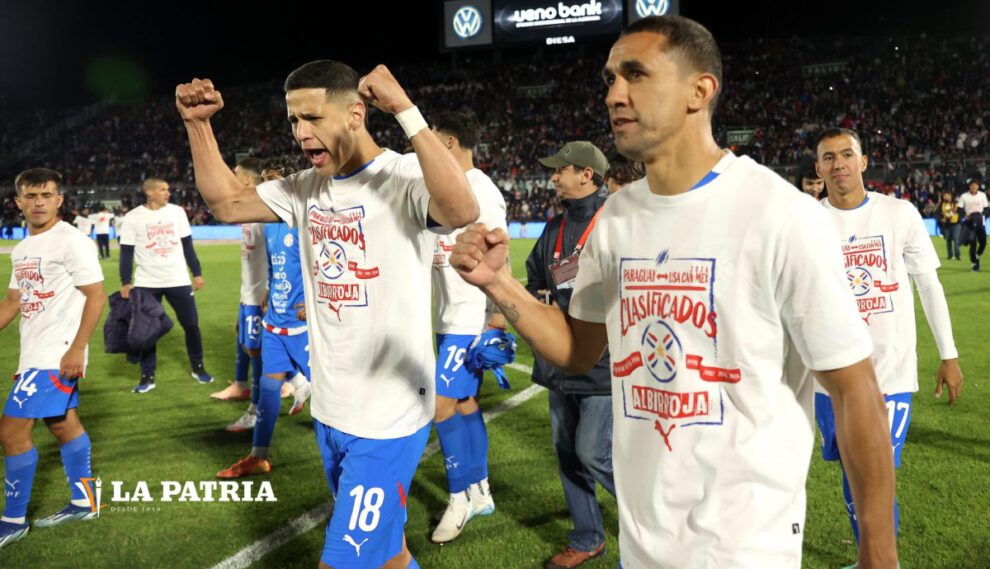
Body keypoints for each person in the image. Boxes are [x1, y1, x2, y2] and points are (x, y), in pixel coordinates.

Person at [451, 15, 899, 569]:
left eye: (635, 75)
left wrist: (880, 557)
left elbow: (857, 393)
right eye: (611, 79)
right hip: (643, 540)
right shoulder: (617, 217)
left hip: (744, 543)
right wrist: (498, 282)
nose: (615, 93)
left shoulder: (780, 215)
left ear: (700, 91)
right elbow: (576, 350)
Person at [174, 59, 477, 569]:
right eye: (293, 120)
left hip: (389, 414)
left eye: (312, 118)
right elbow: (226, 203)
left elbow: (461, 209)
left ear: (356, 114)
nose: (299, 132)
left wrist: (405, 109)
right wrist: (197, 125)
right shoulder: (303, 188)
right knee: (390, 553)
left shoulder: (403, 175)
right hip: (332, 408)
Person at [814, 127, 964, 565]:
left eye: (846, 155)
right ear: (819, 168)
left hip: (890, 373)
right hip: (828, 378)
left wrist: (949, 354)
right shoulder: (806, 221)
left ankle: (883, 561)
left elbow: (928, 285)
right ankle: (870, 557)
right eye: (828, 157)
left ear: (863, 162)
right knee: (850, 471)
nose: (838, 164)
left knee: (873, 471)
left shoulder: (899, 214)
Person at [0, 168, 105, 549]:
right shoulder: (24, 248)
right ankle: (85, 501)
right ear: (18, 203)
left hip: (56, 353)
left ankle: (12, 521)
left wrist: (77, 348)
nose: (38, 202)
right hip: (34, 352)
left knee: (11, 432)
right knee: (63, 425)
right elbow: (14, 302)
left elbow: (96, 295)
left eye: (46, 195)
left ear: (59, 200)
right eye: (30, 196)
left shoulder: (71, 242)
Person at [525, 141, 616, 569]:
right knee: (568, 455)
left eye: (561, 170)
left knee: (593, 452)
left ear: (586, 174)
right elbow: (535, 284)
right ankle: (587, 536)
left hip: (605, 368)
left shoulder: (618, 222)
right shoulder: (552, 229)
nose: (553, 177)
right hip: (559, 367)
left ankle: (662, 519)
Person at [428, 109, 510, 544]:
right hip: (447, 318)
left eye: (432, 140)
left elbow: (502, 254)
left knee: (439, 405)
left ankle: (459, 498)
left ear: (451, 143)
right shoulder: (446, 190)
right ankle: (480, 491)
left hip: (468, 320)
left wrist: (495, 323)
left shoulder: (481, 190)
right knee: (463, 405)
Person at [217, 216, 312, 478]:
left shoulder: (307, 221)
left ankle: (349, 459)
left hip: (304, 329)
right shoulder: (271, 226)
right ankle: (258, 456)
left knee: (331, 399)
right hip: (274, 326)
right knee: (269, 388)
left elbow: (327, 265)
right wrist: (269, 293)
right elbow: (272, 266)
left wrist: (316, 304)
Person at [119, 178, 213, 393]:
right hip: (146, 282)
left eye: (168, 189)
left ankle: (198, 366)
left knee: (191, 325)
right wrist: (126, 281)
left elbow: (187, 245)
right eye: (163, 190)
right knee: (148, 330)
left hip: (177, 279)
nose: (168, 193)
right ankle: (147, 376)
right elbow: (126, 251)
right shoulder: (133, 217)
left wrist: (196, 273)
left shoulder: (177, 212)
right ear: (149, 192)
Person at [212, 158, 267, 406]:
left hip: (261, 298)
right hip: (248, 295)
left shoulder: (265, 212)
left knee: (257, 350)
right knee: (244, 341)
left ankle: (264, 402)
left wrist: (268, 293)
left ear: (247, 180)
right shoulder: (248, 212)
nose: (230, 180)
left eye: (235, 174)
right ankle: (241, 386)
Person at [957, 178, 988, 271]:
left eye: (975, 185)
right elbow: (959, 209)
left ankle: (977, 255)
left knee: (983, 242)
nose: (974, 186)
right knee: (973, 243)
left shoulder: (982, 195)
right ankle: (974, 263)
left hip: (980, 221)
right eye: (972, 185)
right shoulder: (964, 196)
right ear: (969, 186)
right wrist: (965, 217)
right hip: (969, 222)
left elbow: (986, 208)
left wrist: (982, 215)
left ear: (978, 186)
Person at [938, 191, 961, 260]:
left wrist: (959, 219)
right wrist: (941, 219)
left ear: (951, 196)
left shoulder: (956, 204)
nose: (945, 197)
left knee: (956, 240)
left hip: (956, 224)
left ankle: (957, 256)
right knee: (948, 240)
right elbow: (938, 213)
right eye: (944, 196)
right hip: (946, 225)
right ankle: (950, 255)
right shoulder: (942, 204)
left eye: (947, 195)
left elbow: (960, 212)